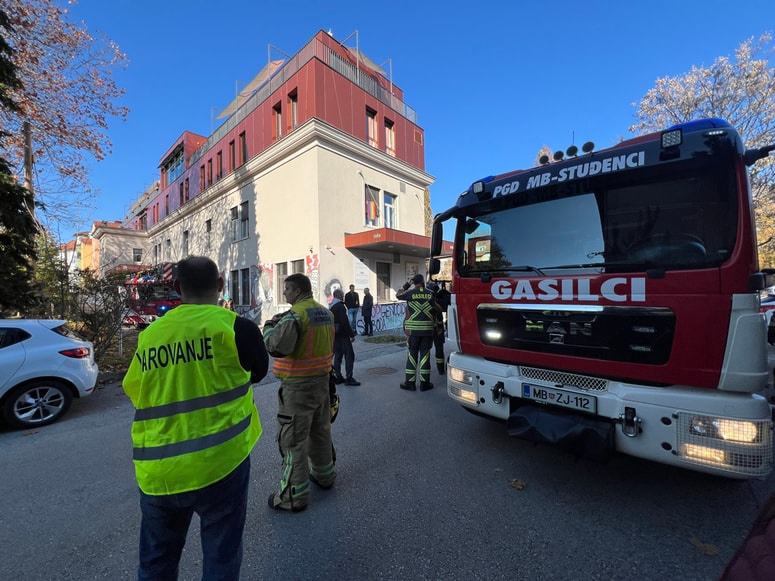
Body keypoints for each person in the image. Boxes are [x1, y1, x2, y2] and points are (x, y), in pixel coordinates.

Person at [122, 256, 268, 581]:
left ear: (176, 288)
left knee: (156, 562)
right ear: (220, 285)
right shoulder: (236, 327)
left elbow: (134, 389)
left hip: (158, 469)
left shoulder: (151, 335)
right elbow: (258, 372)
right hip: (221, 464)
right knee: (221, 557)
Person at [263, 273, 336, 512]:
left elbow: (276, 347)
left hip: (298, 388)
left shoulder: (295, 315)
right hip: (322, 384)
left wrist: (269, 327)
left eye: (286, 290)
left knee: (293, 441)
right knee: (321, 433)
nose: (284, 294)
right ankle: (325, 477)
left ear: (296, 291)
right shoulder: (326, 313)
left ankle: (293, 497)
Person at [396, 273, 436, 391]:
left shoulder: (410, 293)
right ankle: (425, 384)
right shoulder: (430, 293)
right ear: (423, 282)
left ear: (415, 282)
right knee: (425, 356)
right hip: (427, 331)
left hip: (413, 332)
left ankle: (410, 383)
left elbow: (398, 294)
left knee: (412, 355)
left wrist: (407, 284)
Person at [330, 288, 361, 386]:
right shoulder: (340, 307)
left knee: (338, 356)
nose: (343, 296)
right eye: (342, 295)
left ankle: (338, 376)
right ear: (338, 295)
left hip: (335, 335)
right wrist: (351, 334)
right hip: (343, 335)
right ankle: (349, 378)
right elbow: (345, 322)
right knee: (349, 355)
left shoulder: (331, 306)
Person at [426, 283, 446, 375]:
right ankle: (440, 370)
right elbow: (439, 315)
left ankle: (425, 370)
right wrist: (440, 327)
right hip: (436, 329)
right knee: (439, 350)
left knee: (425, 350)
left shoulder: (426, 300)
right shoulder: (435, 301)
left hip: (427, 329)